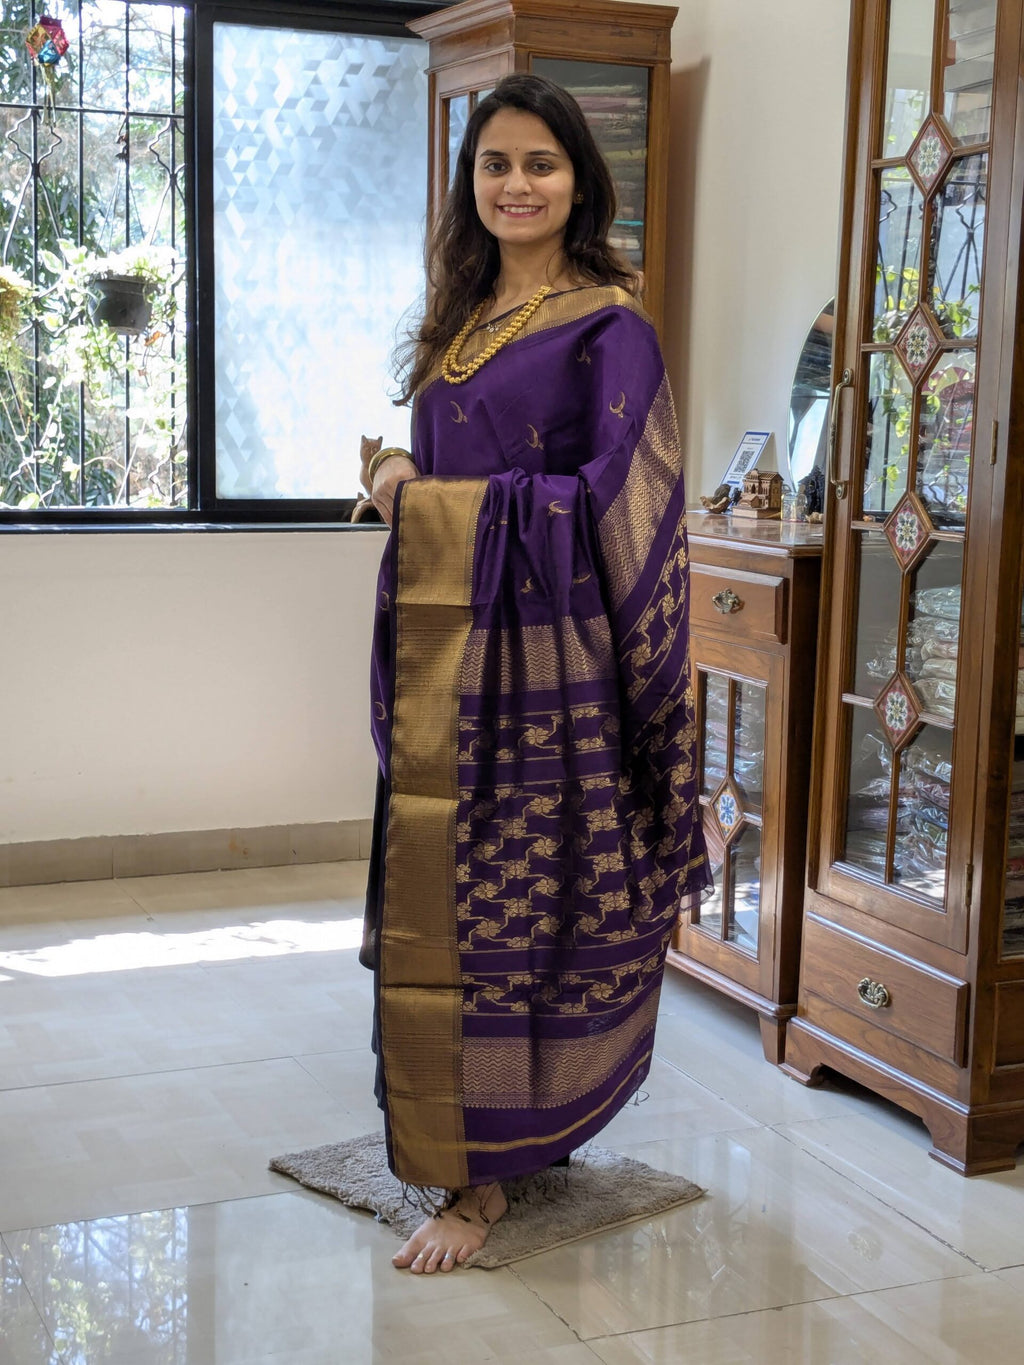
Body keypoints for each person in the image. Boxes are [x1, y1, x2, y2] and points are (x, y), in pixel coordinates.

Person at [358, 72, 710, 1276]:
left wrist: (433, 501)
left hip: (548, 678)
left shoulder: (612, 328)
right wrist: (409, 465)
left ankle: (483, 1178)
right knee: (438, 899)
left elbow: (620, 508)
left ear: (580, 182)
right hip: (445, 663)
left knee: (523, 907)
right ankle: (479, 1144)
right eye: (495, 164)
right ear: (472, 182)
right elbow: (468, 466)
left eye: (540, 164)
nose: (516, 185)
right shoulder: (459, 319)